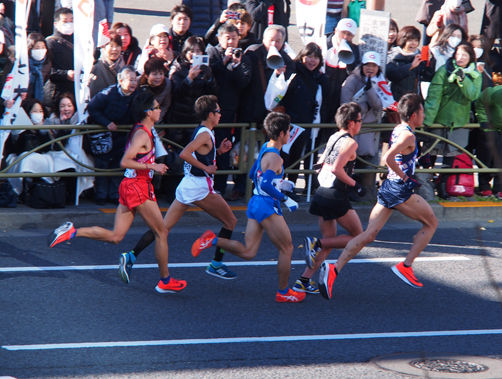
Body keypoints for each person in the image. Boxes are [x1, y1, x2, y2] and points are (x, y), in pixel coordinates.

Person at [48, 89, 187, 294]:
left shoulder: (141, 129)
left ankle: (72, 231)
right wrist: (153, 167)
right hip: (138, 186)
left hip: (130, 185)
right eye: (157, 108)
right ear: (149, 112)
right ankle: (165, 281)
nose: (160, 111)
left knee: (116, 236)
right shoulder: (142, 133)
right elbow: (125, 161)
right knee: (161, 232)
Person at [318, 93, 438, 299]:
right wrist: (405, 177)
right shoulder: (408, 135)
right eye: (422, 112)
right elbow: (388, 157)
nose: (424, 115)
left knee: (368, 235)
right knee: (431, 223)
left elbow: (393, 157)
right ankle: (406, 266)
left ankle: (333, 269)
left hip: (389, 188)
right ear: (413, 115)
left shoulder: (399, 129)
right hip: (400, 190)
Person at [118, 95, 237, 284]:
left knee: (162, 228)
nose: (221, 115)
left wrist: (220, 151)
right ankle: (216, 264)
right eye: (218, 111)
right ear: (210, 114)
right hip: (199, 187)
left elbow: (201, 154)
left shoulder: (205, 132)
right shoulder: (205, 134)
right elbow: (185, 153)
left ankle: (131, 255)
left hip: (188, 186)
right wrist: (206, 168)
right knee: (230, 221)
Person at [191, 111, 305, 303]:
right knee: (287, 248)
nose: (289, 134)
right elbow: (267, 184)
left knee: (249, 251)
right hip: (267, 206)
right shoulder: (277, 158)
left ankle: (212, 240)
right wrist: (285, 198)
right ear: (282, 134)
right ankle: (284, 292)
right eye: (288, 131)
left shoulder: (265, 148)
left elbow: (254, 174)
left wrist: (281, 183)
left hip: (255, 203)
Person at [292, 102, 364, 295]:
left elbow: (319, 164)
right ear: (351, 123)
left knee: (331, 240)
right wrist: (355, 184)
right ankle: (316, 244)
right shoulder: (350, 142)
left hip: (322, 192)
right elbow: (336, 169)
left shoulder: (334, 137)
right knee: (359, 237)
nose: (361, 124)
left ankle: (303, 280)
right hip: (336, 195)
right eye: (359, 120)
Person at [423, 42, 482, 198]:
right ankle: (424, 186)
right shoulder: (444, 70)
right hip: (439, 119)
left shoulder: (475, 74)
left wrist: (463, 80)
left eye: (464, 55)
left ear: (471, 57)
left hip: (459, 122)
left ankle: (445, 189)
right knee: (429, 154)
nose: (460, 57)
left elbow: (473, 95)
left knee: (451, 158)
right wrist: (427, 121)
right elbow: (433, 97)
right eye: (458, 54)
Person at [206, 23, 252, 196]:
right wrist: (224, 60)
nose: (231, 42)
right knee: (212, 148)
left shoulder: (242, 56)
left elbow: (244, 82)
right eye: (228, 38)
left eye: (234, 38)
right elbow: (209, 75)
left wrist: (237, 65)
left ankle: (222, 186)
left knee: (226, 149)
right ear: (220, 38)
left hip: (232, 112)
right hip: (212, 110)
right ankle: (211, 186)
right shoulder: (212, 52)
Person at [86, 66, 138, 205]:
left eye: (135, 80)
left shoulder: (137, 95)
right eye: (130, 80)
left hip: (123, 135)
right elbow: (92, 108)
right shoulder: (108, 93)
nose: (133, 83)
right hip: (103, 135)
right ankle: (101, 195)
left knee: (118, 165)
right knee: (102, 165)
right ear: (120, 80)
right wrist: (106, 122)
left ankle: (115, 195)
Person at [474, 83, 502, 199]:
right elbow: (479, 103)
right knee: (486, 157)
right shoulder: (491, 92)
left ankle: (499, 188)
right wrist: (484, 120)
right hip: (491, 128)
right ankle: (484, 187)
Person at [45, 7, 75, 110]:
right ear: (56, 24)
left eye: (71, 21)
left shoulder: (79, 41)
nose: (69, 24)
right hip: (56, 93)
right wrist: (66, 74)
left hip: (75, 92)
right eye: (65, 21)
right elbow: (47, 71)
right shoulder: (50, 43)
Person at [89, 32, 124, 98]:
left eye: (117, 46)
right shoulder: (97, 67)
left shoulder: (124, 67)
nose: (115, 49)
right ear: (104, 48)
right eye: (111, 46)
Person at [27, 32, 51, 102]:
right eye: (37, 48)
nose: (41, 50)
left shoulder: (47, 64)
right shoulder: (24, 65)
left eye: (43, 47)